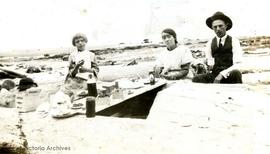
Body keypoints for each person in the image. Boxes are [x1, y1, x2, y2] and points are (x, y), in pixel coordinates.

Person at [192, 11, 243, 83]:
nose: (218, 29)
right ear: (212, 28)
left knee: (236, 73)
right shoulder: (210, 43)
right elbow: (209, 61)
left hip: (228, 75)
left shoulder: (234, 41)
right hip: (215, 75)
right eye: (215, 27)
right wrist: (205, 64)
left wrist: (222, 74)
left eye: (220, 26)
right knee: (196, 78)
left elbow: (238, 64)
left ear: (226, 25)